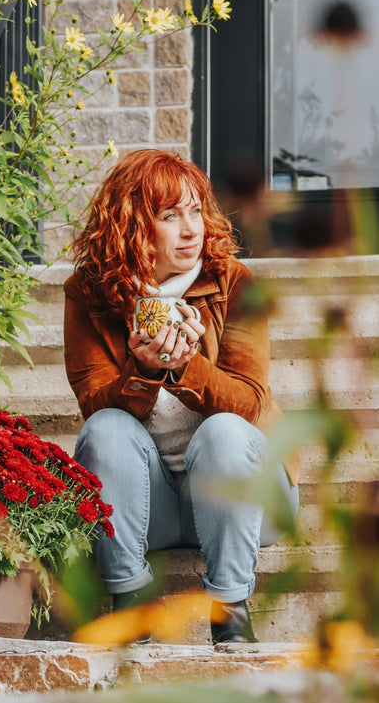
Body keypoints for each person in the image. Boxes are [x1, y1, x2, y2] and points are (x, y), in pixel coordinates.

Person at [63, 149, 300, 643]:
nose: (191, 229)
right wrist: (144, 370)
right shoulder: (89, 294)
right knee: (104, 428)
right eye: (169, 216)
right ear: (131, 225)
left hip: (246, 499)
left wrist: (187, 368)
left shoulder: (235, 283)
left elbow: (250, 403)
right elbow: (92, 405)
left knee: (224, 432)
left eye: (195, 211)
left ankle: (230, 610)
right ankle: (129, 602)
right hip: (149, 509)